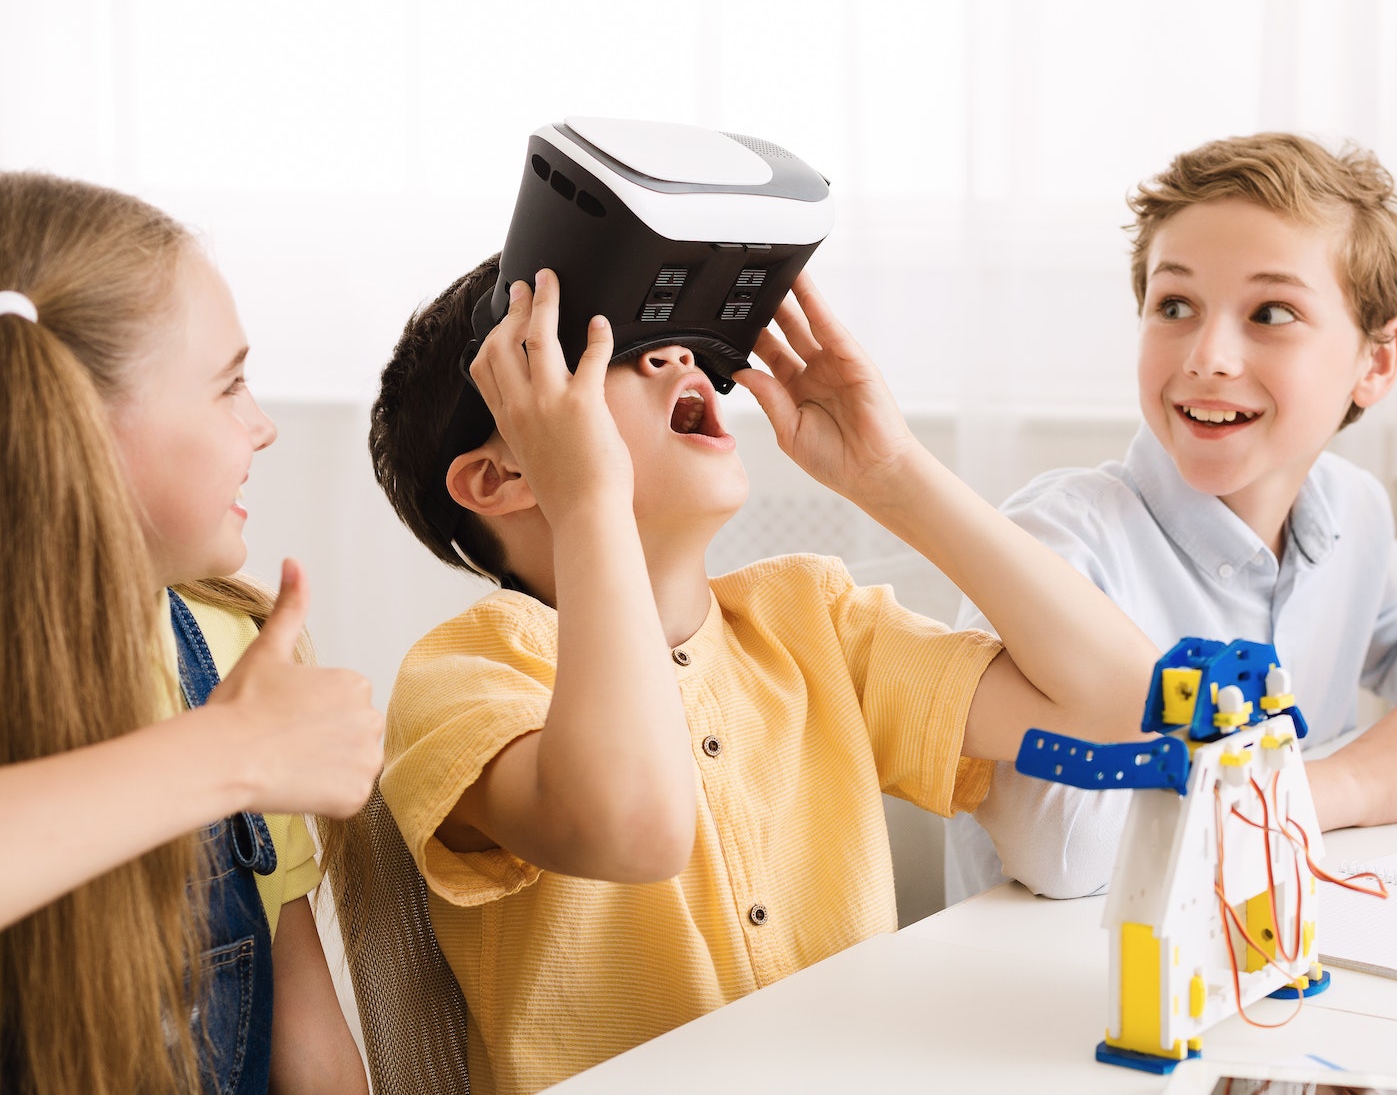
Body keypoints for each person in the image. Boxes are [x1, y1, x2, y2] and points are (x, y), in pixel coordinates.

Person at [364, 260, 1158, 1093]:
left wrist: (893, 475)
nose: (679, 361)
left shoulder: (810, 618)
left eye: (673, 343)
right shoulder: (467, 672)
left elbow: (1129, 712)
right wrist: (587, 504)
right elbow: (634, 826)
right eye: (610, 352)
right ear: (499, 477)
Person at [945, 133, 1397, 904]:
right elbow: (1065, 846)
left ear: (1378, 361)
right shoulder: (1058, 543)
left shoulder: (1349, 508)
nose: (1209, 355)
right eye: (1175, 306)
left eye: (1270, 312)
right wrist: (1349, 784)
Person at [0, 172, 382, 1094]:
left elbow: (304, 1027)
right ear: (76, 430)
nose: (262, 426)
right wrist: (232, 749)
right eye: (230, 385)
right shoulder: (239, 725)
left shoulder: (225, 645)